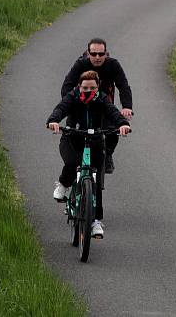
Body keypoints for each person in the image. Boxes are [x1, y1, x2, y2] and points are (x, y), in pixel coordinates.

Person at [47, 70, 131, 239]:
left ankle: (96, 222)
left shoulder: (101, 99)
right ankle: (64, 184)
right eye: (85, 87)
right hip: (72, 138)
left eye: (92, 87)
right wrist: (53, 121)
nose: (88, 90)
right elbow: (61, 109)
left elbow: (113, 112)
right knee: (73, 162)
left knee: (97, 183)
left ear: (97, 87)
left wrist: (123, 124)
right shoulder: (72, 97)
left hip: (95, 140)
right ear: (79, 86)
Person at [60, 37, 132, 174]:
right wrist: (69, 103)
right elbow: (67, 86)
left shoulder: (113, 65)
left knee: (112, 130)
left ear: (106, 53)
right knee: (74, 133)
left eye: (101, 54)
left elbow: (123, 86)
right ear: (88, 53)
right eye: (93, 54)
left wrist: (127, 107)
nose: (97, 57)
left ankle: (108, 155)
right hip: (82, 104)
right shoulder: (80, 65)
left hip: (104, 105)